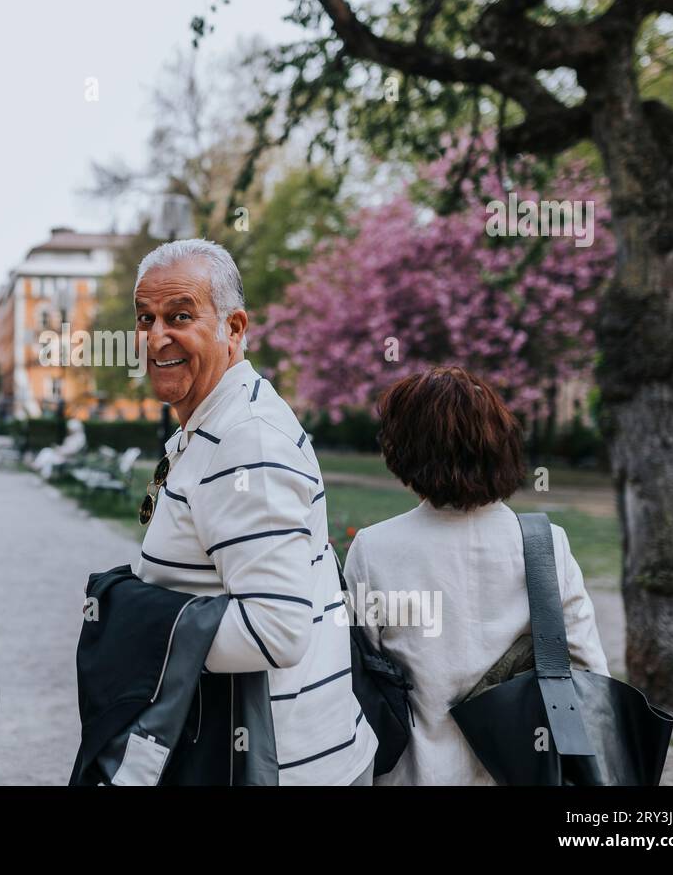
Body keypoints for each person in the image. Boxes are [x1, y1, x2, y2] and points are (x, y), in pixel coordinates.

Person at [130, 238, 377, 785]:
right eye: (145, 319)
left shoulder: (247, 441)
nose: (155, 337)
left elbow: (276, 630)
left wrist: (135, 626)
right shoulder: (221, 420)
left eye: (180, 316)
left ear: (234, 329)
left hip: (279, 769)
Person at [344, 367, 608, 785]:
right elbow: (588, 670)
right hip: (523, 770)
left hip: (414, 773)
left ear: (404, 450)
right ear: (501, 443)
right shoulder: (545, 543)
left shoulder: (374, 548)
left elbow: (364, 682)